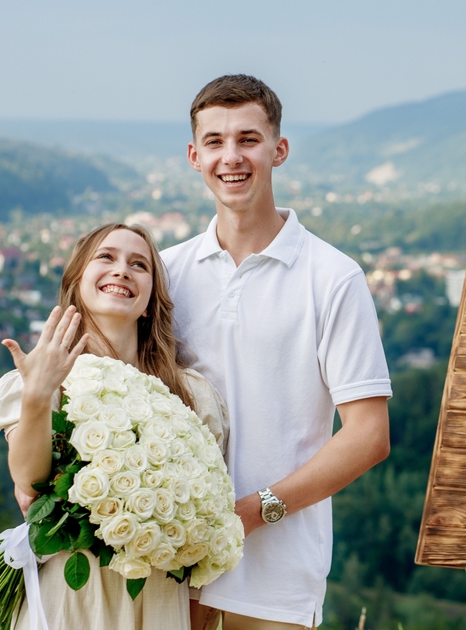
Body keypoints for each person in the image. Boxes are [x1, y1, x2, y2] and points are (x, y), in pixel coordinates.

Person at [162, 75, 392, 630]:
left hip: (278, 573)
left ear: (278, 150)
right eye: (214, 142)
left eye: (248, 138)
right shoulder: (166, 272)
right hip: (169, 560)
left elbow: (368, 436)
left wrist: (255, 511)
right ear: (194, 156)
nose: (231, 156)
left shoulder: (333, 277)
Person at [0, 222, 229, 630]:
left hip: (157, 600)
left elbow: (209, 512)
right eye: (106, 257)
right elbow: (31, 485)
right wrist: (37, 395)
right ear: (77, 282)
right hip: (69, 598)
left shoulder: (194, 394)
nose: (122, 270)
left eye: (139, 265)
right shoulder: (38, 378)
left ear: (152, 299)